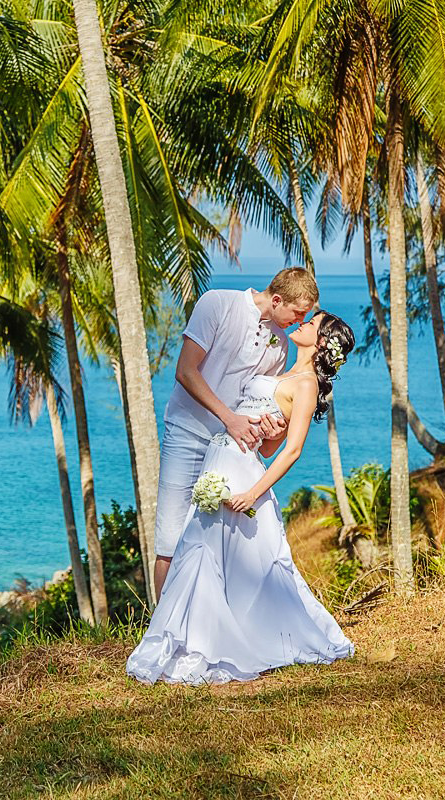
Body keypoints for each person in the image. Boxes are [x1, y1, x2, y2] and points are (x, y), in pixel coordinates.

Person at [127, 311, 357, 685]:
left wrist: (253, 493)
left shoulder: (307, 384)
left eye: (312, 323)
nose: (303, 323)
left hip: (242, 475)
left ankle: (215, 644)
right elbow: (267, 441)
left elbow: (291, 450)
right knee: (205, 553)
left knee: (217, 554)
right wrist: (270, 429)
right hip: (219, 458)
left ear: (320, 344)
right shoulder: (283, 372)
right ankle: (193, 639)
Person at [154, 268, 318, 599]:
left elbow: (260, 408)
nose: (300, 321)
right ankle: (162, 632)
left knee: (221, 543)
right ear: (276, 299)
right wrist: (229, 418)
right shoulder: (217, 304)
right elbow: (186, 371)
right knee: (170, 541)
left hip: (234, 452)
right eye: (298, 313)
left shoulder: (280, 346)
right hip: (187, 434)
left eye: (307, 316)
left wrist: (273, 429)